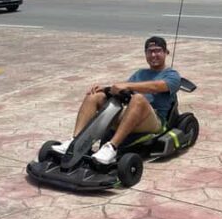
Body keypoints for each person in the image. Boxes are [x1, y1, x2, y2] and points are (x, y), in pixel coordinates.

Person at [51, 35, 181, 164]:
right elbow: (124, 89)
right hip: (131, 114)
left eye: (158, 51)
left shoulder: (172, 75)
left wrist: (127, 86)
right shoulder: (140, 73)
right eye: (150, 51)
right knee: (94, 96)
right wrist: (106, 89)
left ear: (166, 52)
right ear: (145, 54)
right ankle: (75, 142)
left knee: (138, 99)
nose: (153, 55)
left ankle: (112, 148)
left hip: (154, 121)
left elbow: (156, 86)